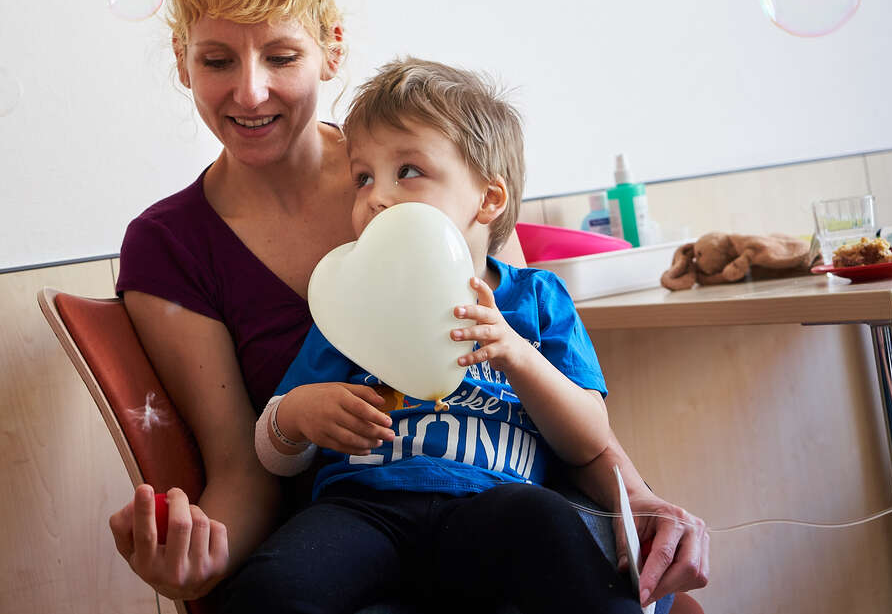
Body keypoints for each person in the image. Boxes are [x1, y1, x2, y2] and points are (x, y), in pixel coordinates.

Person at [110, 0, 709, 609]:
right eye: (217, 60)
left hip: (502, 515)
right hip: (348, 528)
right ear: (183, 60)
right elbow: (247, 465)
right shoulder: (173, 245)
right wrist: (198, 559)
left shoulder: (443, 173)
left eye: (281, 55)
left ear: (331, 49)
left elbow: (545, 374)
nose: (250, 92)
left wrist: (636, 498)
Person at [227, 57, 639, 613]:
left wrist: (515, 354)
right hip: (364, 511)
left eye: (409, 171)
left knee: (554, 530)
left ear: (488, 200)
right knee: (265, 591)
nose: (375, 196)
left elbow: (589, 439)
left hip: (493, 508)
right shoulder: (350, 302)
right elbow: (275, 453)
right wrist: (297, 414)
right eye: (363, 177)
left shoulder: (537, 299)